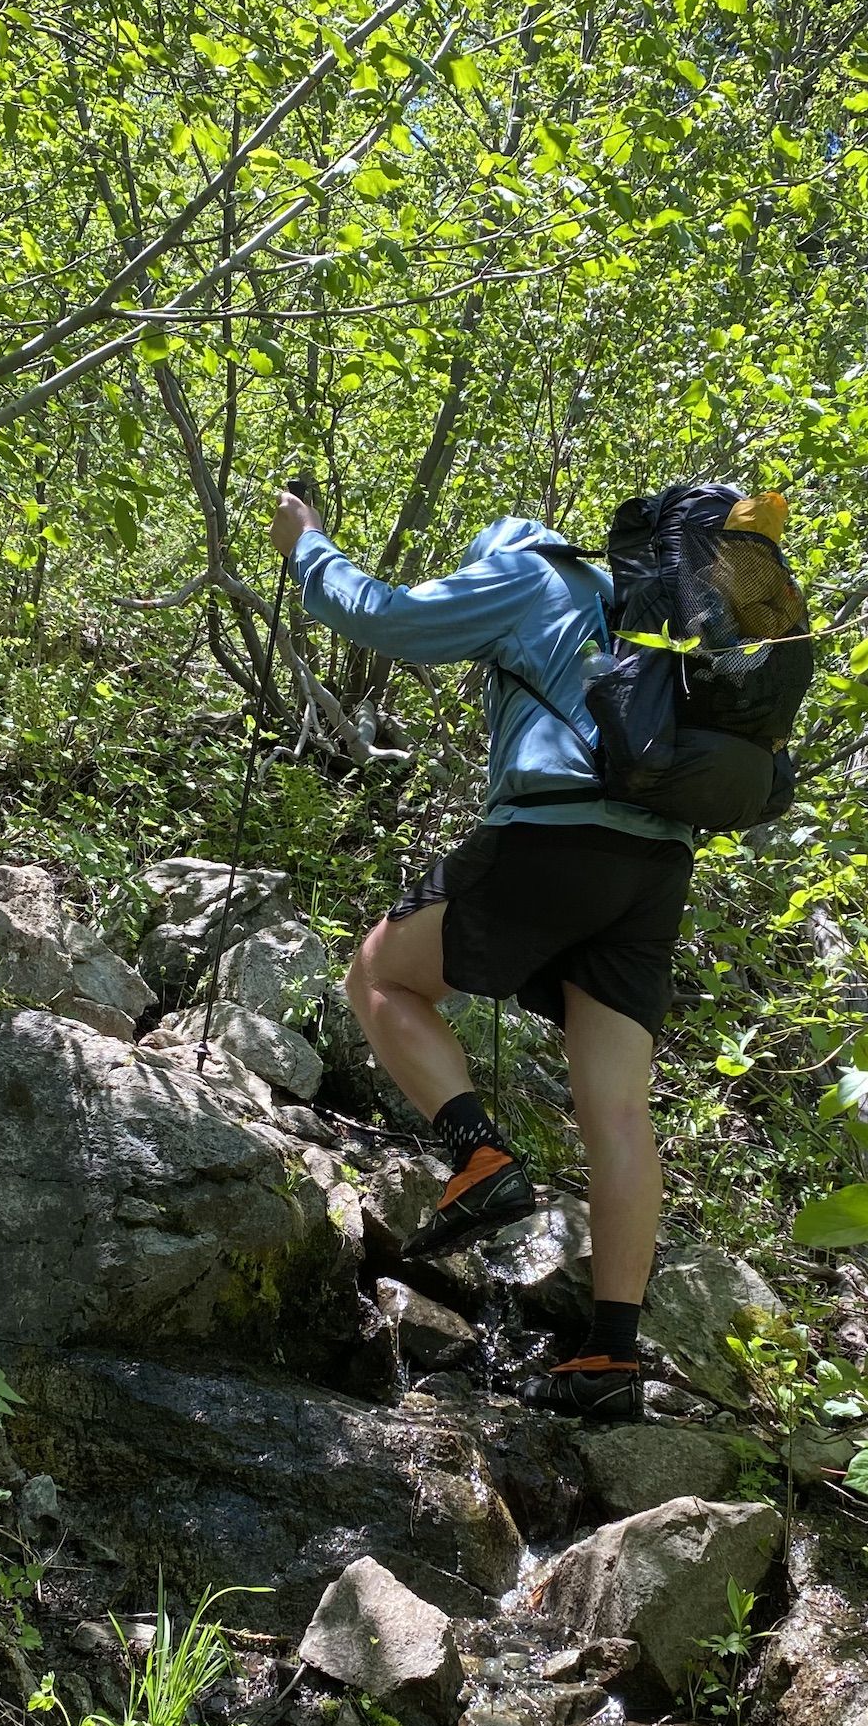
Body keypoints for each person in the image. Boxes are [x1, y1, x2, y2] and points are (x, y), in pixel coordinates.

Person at [268, 485, 713, 1422]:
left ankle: (479, 1156)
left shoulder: (524, 571)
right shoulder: (640, 606)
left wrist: (307, 545)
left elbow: (380, 615)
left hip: (553, 833)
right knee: (619, 1112)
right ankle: (610, 1359)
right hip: (658, 863)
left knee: (378, 974)